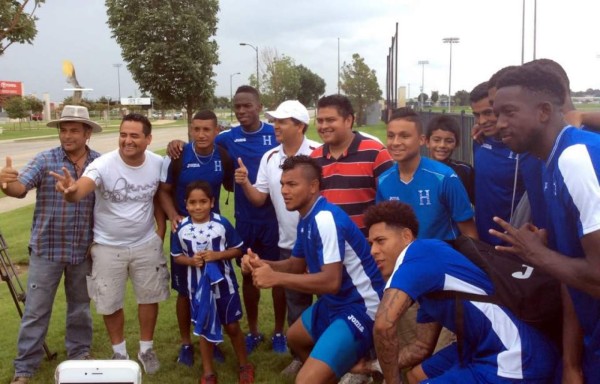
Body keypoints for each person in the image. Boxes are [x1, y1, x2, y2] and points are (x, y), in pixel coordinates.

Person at [363, 201, 559, 383]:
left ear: (406, 236)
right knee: (416, 375)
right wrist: (368, 366)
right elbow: (421, 347)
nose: (373, 251)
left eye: (380, 241)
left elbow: (383, 325)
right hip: (481, 348)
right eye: (371, 244)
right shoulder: (426, 282)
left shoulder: (419, 253)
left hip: (516, 357)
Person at [489, 64, 600, 383]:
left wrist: (536, 254)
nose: (499, 125)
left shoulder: (575, 158)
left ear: (544, 111)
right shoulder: (551, 164)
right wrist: (572, 362)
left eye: (508, 112)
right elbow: (574, 270)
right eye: (497, 114)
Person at [241, 155, 384, 384]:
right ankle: (349, 370)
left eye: (292, 184)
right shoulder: (307, 217)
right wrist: (261, 264)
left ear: (313, 186)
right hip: (335, 302)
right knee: (295, 339)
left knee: (304, 381)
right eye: (282, 185)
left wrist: (275, 278)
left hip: (360, 307)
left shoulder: (325, 220)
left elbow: (330, 282)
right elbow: (295, 265)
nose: (284, 191)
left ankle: (357, 367)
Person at [51, 113, 169, 374]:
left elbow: (160, 195)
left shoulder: (158, 163)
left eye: (134, 135)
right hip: (107, 246)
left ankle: (146, 349)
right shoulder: (103, 165)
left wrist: (161, 230)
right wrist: (71, 192)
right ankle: (120, 354)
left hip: (146, 244)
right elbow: (83, 187)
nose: (127, 141)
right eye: (123, 134)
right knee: (110, 301)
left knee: (149, 298)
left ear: (148, 139)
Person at [167, 86, 281, 354]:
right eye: (237, 106)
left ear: (259, 106)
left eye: (247, 106)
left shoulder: (273, 134)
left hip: (275, 218)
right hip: (243, 219)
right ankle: (252, 332)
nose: (242, 111)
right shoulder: (227, 138)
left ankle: (279, 332)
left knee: (278, 274)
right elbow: (200, 145)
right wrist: (177, 144)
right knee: (246, 274)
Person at [1, 106, 101, 384]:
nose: (67, 136)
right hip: (47, 250)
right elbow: (19, 189)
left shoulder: (99, 163)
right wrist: (7, 184)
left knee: (80, 307)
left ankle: (79, 355)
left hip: (83, 251)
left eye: (73, 130)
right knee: (36, 310)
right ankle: (24, 369)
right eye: (63, 130)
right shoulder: (45, 160)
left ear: (87, 133)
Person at [234, 100, 319, 374]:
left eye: (282, 121)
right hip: (289, 244)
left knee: (332, 300)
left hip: (322, 243)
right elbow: (260, 199)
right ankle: (301, 357)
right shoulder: (269, 157)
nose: (275, 125)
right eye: (274, 120)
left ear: (300, 126)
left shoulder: (319, 153)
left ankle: (334, 357)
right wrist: (245, 181)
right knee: (297, 304)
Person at [158, 109, 233, 366]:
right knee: (184, 292)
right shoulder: (178, 156)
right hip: (185, 234)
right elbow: (164, 191)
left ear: (216, 131)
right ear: (190, 129)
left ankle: (213, 341)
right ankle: (186, 343)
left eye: (206, 129)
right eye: (196, 129)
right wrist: (173, 216)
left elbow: (234, 186)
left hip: (213, 235)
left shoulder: (223, 156)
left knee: (215, 288)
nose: (201, 134)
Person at [171, 181, 253, 384]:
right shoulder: (181, 228)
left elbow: (238, 248)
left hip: (224, 287)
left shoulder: (221, 224)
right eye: (192, 203)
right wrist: (191, 261)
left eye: (203, 202)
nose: (198, 207)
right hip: (197, 289)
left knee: (232, 326)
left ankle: (244, 365)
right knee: (204, 328)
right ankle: (208, 373)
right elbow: (176, 256)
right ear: (186, 204)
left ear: (212, 202)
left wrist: (218, 255)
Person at [376, 107, 477, 240]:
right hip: (405, 260)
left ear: (422, 140)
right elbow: (384, 229)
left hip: (442, 258)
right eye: (391, 136)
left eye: (404, 136)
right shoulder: (383, 181)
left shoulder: (445, 177)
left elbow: (469, 233)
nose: (395, 142)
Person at [310, 94, 393, 236]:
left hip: (366, 249)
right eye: (320, 121)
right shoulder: (313, 159)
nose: (323, 126)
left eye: (330, 120)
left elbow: (390, 204)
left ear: (348, 120)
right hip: (328, 247)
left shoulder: (376, 153)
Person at [470, 81, 536, 244]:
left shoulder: (526, 148)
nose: (482, 121)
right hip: (482, 237)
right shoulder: (478, 140)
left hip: (513, 242)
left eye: (488, 112)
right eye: (477, 115)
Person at [425, 114, 474, 203]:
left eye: (449, 141)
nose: (442, 145)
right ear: (427, 142)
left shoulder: (465, 171)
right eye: (436, 140)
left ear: (457, 144)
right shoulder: (418, 170)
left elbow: (478, 201)